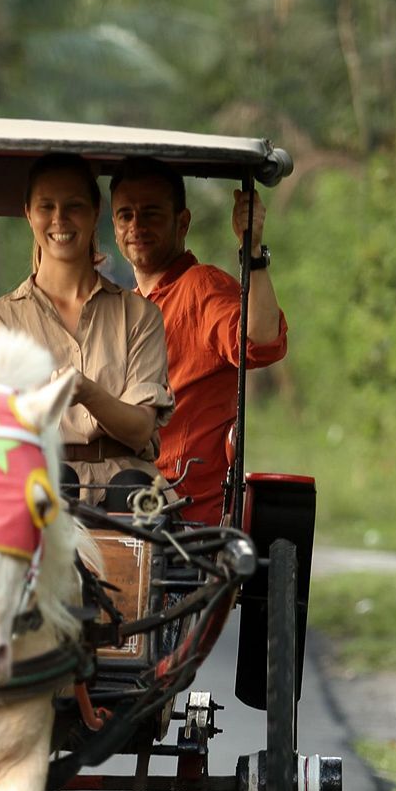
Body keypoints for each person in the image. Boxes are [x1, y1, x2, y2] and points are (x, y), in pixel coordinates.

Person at [0, 153, 172, 510]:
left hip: (126, 487)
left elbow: (141, 429)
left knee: (134, 490)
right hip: (36, 480)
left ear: (96, 214)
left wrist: (87, 392)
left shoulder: (140, 315)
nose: (59, 220)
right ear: (29, 214)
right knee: (50, 482)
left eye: (74, 206)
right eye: (46, 206)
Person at [109, 157, 288, 525]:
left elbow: (261, 340)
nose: (136, 226)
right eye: (126, 215)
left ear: (182, 223)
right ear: (114, 227)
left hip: (177, 512)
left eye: (151, 214)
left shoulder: (201, 287)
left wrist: (252, 251)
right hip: (114, 492)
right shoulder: (119, 307)